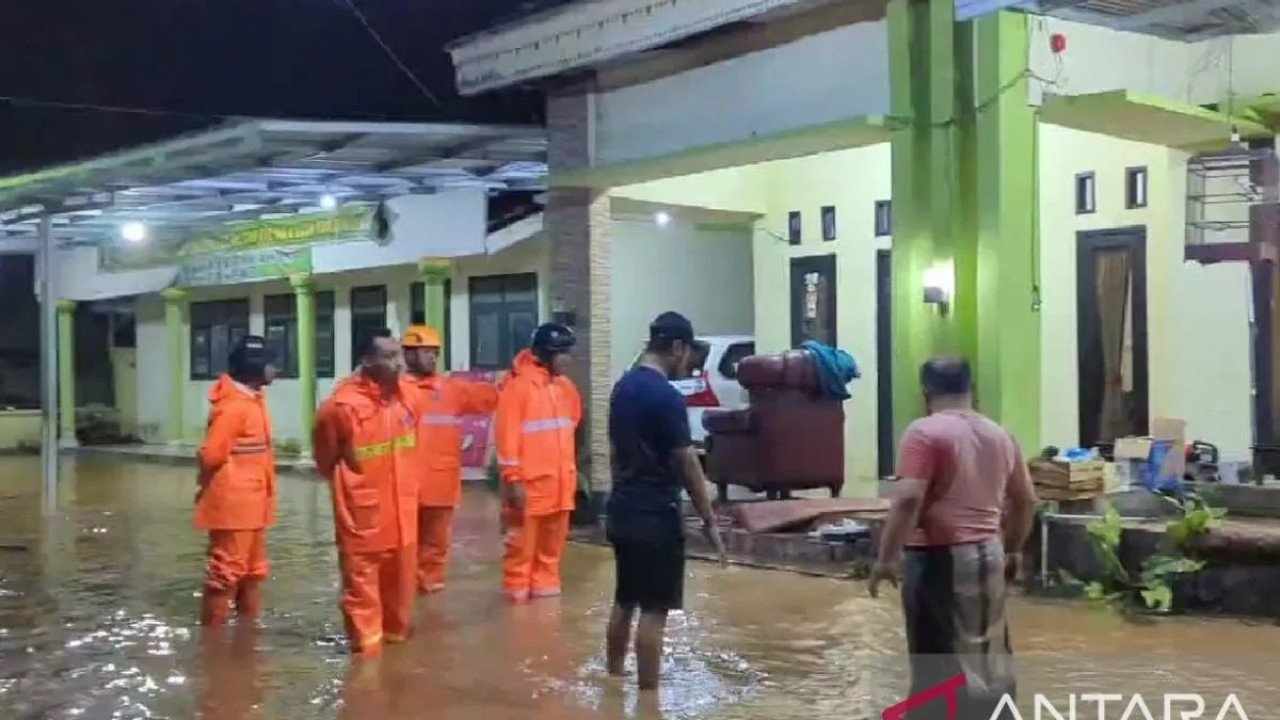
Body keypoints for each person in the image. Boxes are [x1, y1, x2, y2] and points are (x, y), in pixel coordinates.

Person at [868, 357, 1036, 719]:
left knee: (936, 660)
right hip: (989, 553)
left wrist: (886, 558)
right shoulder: (1001, 434)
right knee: (989, 655)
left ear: (926, 391)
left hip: (938, 558)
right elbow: (1025, 500)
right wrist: (1013, 550)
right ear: (970, 389)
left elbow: (909, 497)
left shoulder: (924, 432)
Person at [604, 311, 727, 691]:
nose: (688, 364)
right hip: (656, 515)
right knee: (654, 612)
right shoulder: (666, 398)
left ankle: (612, 682)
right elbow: (687, 462)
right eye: (688, 355)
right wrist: (708, 519)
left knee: (625, 599)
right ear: (676, 347)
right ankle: (648, 700)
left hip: (622, 509)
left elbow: (614, 453)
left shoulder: (621, 388)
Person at [313, 328, 419, 656]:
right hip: (362, 522)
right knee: (363, 605)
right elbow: (325, 459)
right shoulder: (340, 408)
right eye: (389, 357)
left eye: (399, 354)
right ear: (367, 361)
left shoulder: (408, 398)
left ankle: (395, 681)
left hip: (403, 521)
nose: (399, 363)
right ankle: (367, 678)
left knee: (400, 612)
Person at [401, 323, 500, 594]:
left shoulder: (450, 389)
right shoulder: (396, 391)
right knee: (404, 547)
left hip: (440, 486)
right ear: (409, 355)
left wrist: (508, 380)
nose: (431, 357)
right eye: (425, 352)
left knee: (436, 546)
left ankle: (429, 595)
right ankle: (406, 593)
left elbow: (488, 399)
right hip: (405, 487)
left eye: (434, 352)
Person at [495, 322, 582, 603]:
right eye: (563, 353)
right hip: (528, 489)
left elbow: (572, 426)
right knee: (519, 554)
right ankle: (517, 619)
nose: (568, 359)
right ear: (546, 354)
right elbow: (506, 438)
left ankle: (544, 620)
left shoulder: (566, 388)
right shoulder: (518, 387)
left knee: (551, 557)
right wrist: (513, 480)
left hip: (559, 488)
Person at [194, 335, 278, 626]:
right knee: (226, 573)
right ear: (254, 367)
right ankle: (214, 641)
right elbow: (210, 456)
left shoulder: (250, 400)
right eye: (270, 363)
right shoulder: (232, 407)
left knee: (253, 572)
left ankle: (245, 635)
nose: (275, 369)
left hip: (253, 504)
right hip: (234, 507)